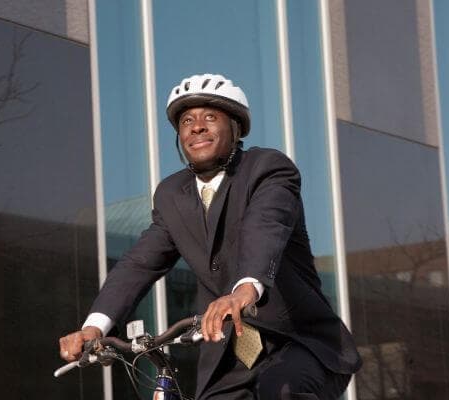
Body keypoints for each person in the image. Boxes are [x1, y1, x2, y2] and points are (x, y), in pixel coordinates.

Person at [58, 73, 361, 399]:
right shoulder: (172, 194)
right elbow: (139, 263)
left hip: (300, 342)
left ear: (235, 127)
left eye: (210, 117)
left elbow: (266, 226)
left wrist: (245, 288)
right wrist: (95, 326)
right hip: (232, 356)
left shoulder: (267, 169)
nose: (196, 126)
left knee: (279, 390)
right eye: (187, 120)